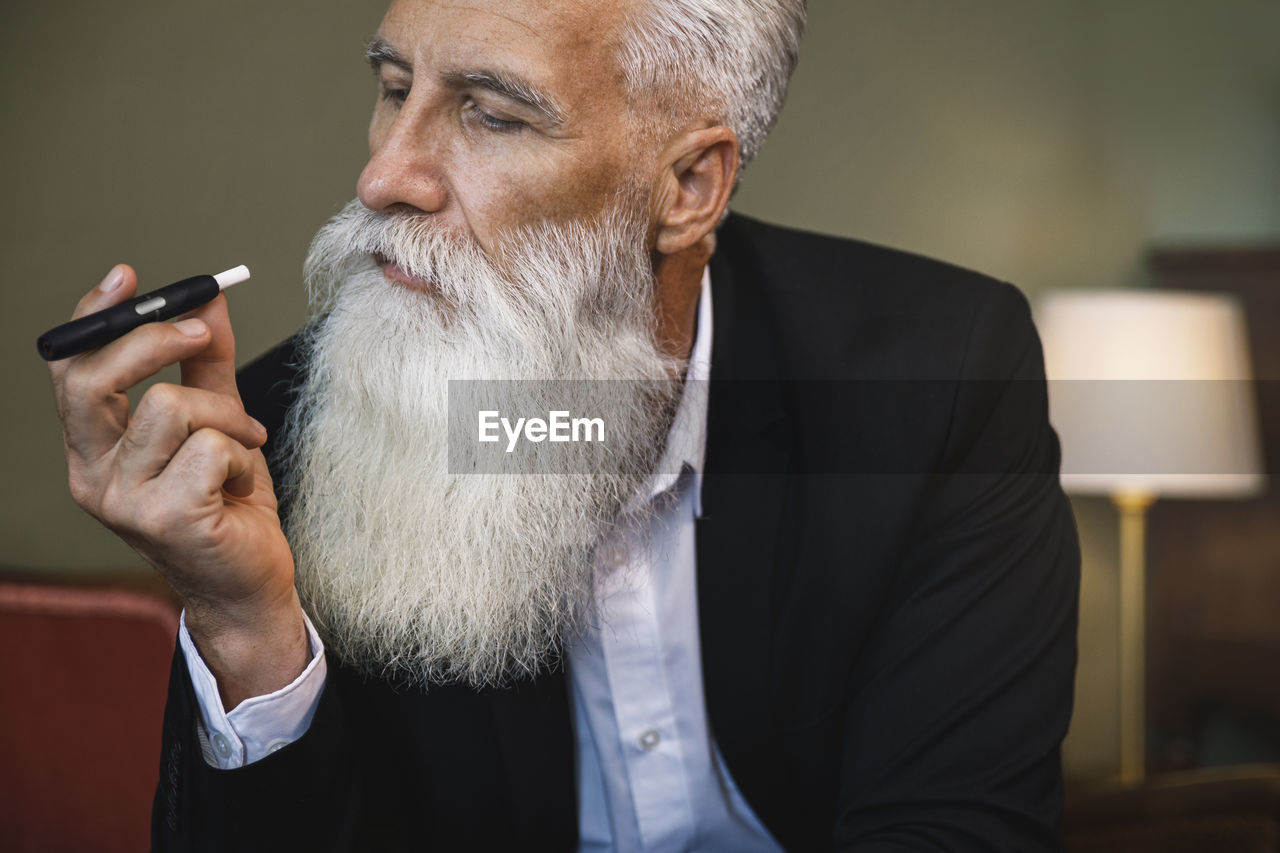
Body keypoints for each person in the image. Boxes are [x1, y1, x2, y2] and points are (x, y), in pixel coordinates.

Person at [47, 0, 1079, 849]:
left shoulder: (935, 372)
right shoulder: (276, 437)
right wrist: (243, 625)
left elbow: (955, 827)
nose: (383, 178)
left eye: (491, 114)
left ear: (684, 187)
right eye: (394, 87)